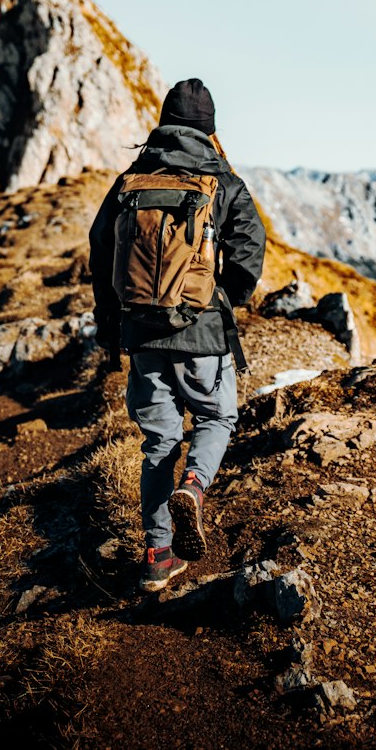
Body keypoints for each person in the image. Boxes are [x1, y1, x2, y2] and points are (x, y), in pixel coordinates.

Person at [88, 78, 266, 593]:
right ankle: (194, 485)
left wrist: (110, 322)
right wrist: (224, 298)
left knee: (159, 440)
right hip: (202, 331)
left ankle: (156, 555)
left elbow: (102, 252)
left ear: (164, 122)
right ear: (209, 129)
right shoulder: (223, 180)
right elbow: (250, 253)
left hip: (142, 332)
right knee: (217, 415)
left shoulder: (131, 180)